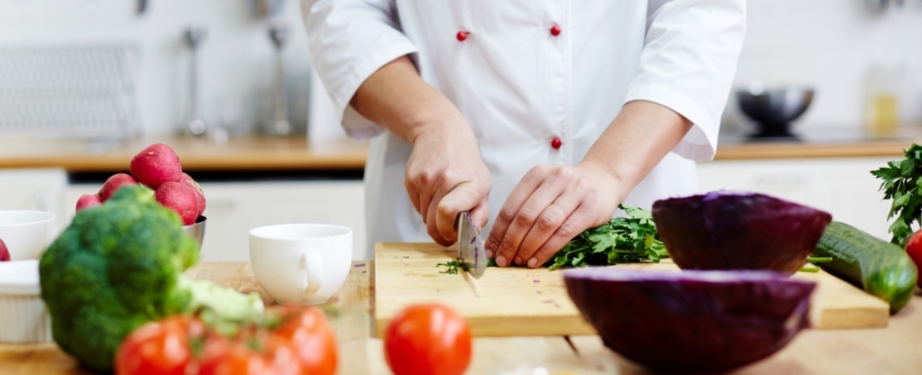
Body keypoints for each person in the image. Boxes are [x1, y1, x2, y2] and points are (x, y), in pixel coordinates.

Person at [302, 1, 746, 267]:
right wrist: (430, 121)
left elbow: (701, 18)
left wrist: (609, 170)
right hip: (439, 222)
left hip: (633, 189)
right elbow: (342, 14)